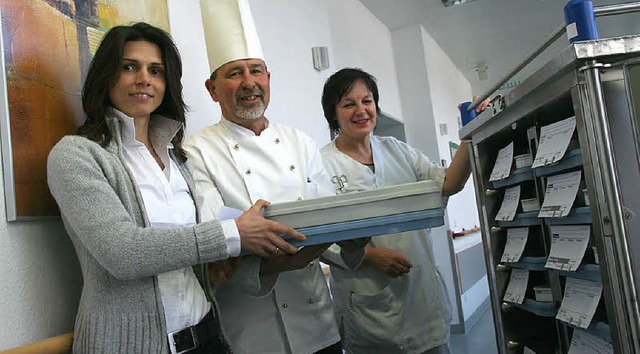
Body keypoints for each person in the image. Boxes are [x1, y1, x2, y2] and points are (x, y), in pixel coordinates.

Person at [47, 22, 305, 354]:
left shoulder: (178, 159)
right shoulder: (76, 155)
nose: (144, 79)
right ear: (105, 75)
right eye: (129, 67)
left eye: (156, 71)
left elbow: (189, 248)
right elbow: (123, 252)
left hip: (206, 336)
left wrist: (222, 262)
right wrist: (233, 233)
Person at [184, 1, 364, 353]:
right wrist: (274, 259)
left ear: (269, 79)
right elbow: (214, 241)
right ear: (211, 88)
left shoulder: (301, 142)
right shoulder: (197, 152)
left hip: (318, 324)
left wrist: (353, 241)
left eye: (257, 71)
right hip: (252, 331)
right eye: (235, 73)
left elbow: (326, 219)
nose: (249, 82)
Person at [319, 68, 489, 354]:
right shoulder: (322, 165)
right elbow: (319, 237)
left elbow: (448, 183)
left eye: (367, 101)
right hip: (369, 307)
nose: (361, 110)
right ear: (333, 113)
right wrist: (371, 256)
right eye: (349, 104)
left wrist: (471, 134)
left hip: (421, 298)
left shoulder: (397, 150)